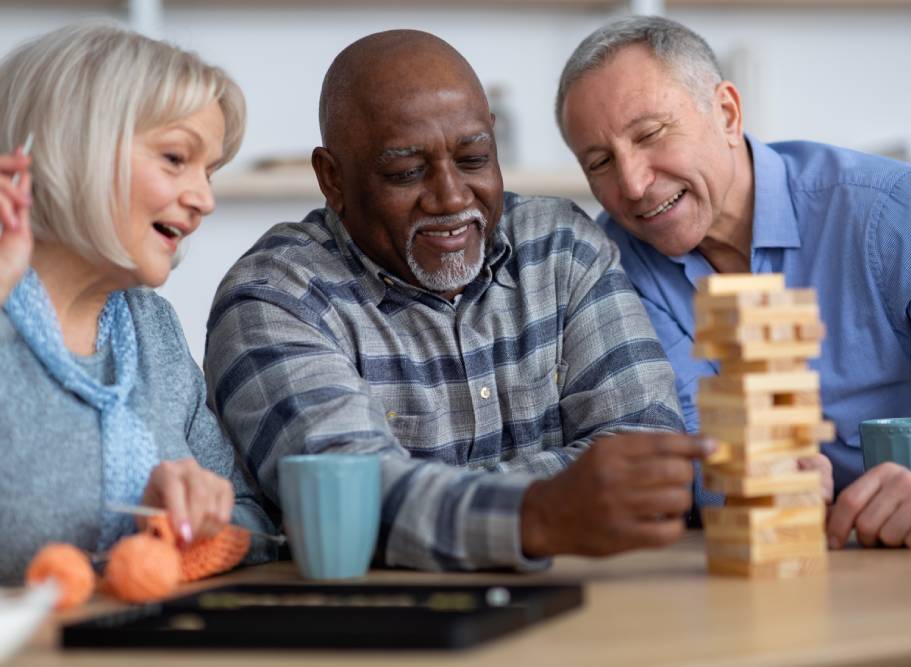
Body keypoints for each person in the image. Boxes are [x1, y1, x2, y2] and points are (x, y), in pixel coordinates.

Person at [204, 29, 714, 572]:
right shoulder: (273, 299)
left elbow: (647, 459)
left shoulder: (563, 247)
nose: (451, 197)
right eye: (405, 173)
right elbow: (346, 507)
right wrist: (539, 513)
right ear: (333, 178)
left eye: (473, 159)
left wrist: (425, 501)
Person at [556, 15, 911, 550]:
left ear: (726, 113)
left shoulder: (894, 215)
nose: (633, 184)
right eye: (600, 162)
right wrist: (747, 484)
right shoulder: (610, 264)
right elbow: (688, 461)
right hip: (764, 559)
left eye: (650, 134)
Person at [0, 22, 275, 583]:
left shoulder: (150, 328)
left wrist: (189, 524)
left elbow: (254, 524)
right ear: (72, 149)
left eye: (210, 171)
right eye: (176, 158)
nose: (204, 200)